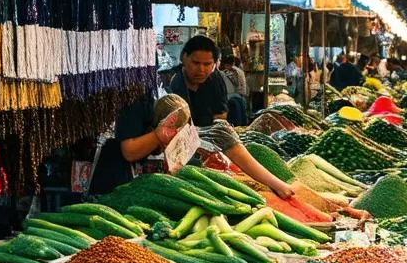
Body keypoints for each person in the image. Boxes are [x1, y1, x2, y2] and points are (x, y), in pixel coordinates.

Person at [89, 41, 296, 198]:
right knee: (220, 134)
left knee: (221, 132)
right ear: (183, 58)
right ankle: (278, 184)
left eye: (207, 64)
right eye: (196, 63)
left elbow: (217, 117)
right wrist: (159, 136)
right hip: (121, 184)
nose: (201, 69)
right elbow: (129, 151)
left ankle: (277, 184)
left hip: (160, 169)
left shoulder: (163, 86)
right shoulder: (137, 94)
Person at [220, 52, 249, 126]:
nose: (225, 67)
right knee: (241, 116)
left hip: (234, 97)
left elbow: (236, 85)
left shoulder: (231, 72)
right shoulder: (239, 71)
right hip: (240, 96)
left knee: (236, 117)